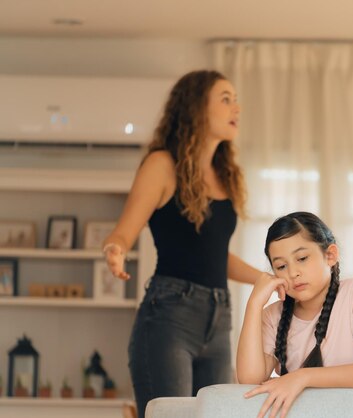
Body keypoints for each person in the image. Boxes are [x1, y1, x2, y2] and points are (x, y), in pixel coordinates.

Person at [102, 70, 264, 418]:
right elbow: (124, 231)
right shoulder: (162, 165)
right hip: (170, 316)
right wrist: (115, 249)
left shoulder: (225, 177)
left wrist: (265, 279)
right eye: (225, 99)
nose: (237, 107)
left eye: (236, 99)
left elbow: (214, 256)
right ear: (195, 107)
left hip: (219, 319)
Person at [237, 212, 353, 418]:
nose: (293, 273)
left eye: (302, 258)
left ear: (330, 255)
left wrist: (301, 377)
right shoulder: (272, 315)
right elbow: (249, 380)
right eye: (281, 266)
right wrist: (254, 304)